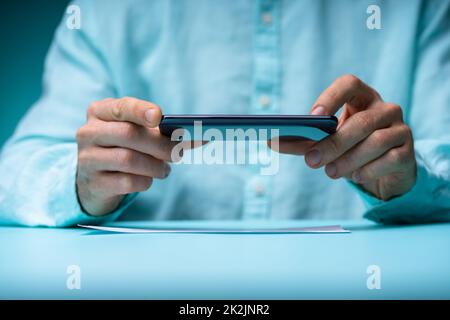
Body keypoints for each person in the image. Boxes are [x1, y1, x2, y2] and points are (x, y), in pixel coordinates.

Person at [0, 0, 449, 227]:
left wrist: (409, 182)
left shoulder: (418, 8)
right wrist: (82, 183)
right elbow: (14, 172)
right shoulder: (108, 10)